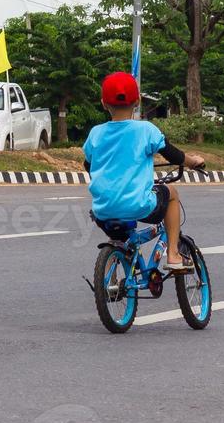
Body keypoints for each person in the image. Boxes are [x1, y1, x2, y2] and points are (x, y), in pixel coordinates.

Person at [83, 71, 204, 272]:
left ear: (103, 103)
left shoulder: (95, 133)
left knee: (119, 231)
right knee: (172, 194)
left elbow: (88, 165)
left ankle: (116, 268)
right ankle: (173, 255)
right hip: (138, 205)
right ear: (138, 101)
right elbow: (173, 155)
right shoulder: (146, 130)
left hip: (102, 210)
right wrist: (193, 162)